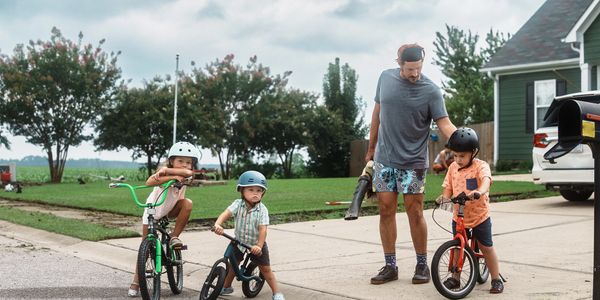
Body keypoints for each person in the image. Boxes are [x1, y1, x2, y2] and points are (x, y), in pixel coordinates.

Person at [365, 43, 457, 285]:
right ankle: (390, 265)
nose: (415, 73)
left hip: (413, 162)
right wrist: (371, 149)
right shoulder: (385, 78)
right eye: (409, 69)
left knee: (414, 211)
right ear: (399, 63)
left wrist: (463, 140)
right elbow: (377, 113)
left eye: (418, 68)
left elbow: (444, 123)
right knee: (385, 209)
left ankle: (421, 264)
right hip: (385, 159)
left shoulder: (431, 91)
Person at [128, 141, 200, 297]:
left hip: (170, 209)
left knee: (188, 203)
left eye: (188, 162)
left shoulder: (186, 175)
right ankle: (136, 281)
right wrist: (169, 174)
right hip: (153, 210)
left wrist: (169, 170)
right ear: (172, 160)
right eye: (180, 161)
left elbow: (188, 174)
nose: (185, 165)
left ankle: (174, 237)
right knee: (144, 248)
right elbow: (149, 182)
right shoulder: (164, 174)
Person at [438, 127, 504, 293]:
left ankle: (496, 278)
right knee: (456, 247)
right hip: (458, 215)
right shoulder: (453, 167)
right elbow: (447, 186)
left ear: (473, 153)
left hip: (479, 216)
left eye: (462, 156)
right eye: (455, 155)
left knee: (486, 247)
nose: (458, 159)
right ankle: (455, 278)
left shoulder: (480, 166)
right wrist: (445, 197)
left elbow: (486, 180)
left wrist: (480, 191)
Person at [213, 170, 285, 300]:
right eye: (251, 190)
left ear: (263, 192)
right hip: (239, 241)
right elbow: (226, 213)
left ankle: (277, 293)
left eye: (259, 190)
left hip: (256, 244)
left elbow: (263, 229)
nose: (255, 193)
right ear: (242, 191)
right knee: (233, 264)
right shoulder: (238, 204)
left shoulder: (262, 209)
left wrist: (259, 245)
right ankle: (226, 286)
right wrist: (218, 224)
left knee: (266, 269)